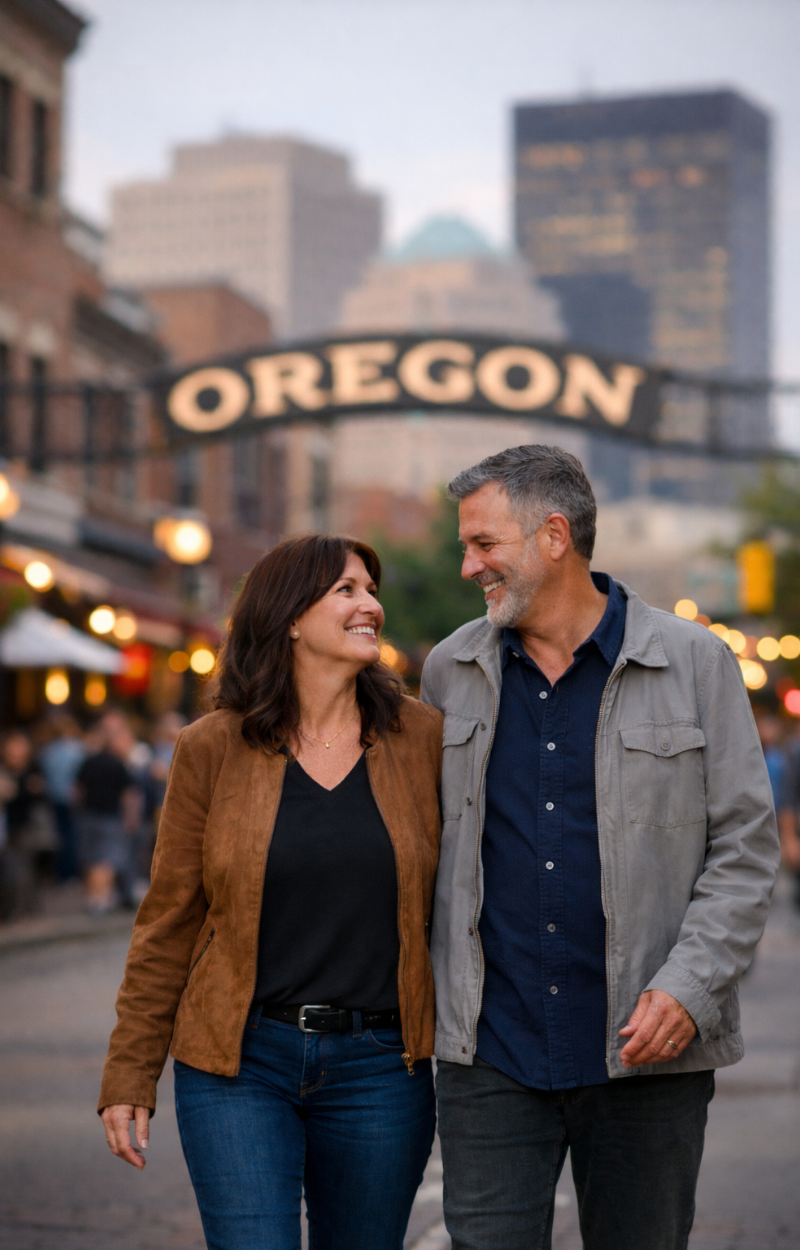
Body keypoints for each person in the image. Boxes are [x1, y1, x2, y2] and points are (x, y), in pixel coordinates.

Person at [420, 445, 779, 1250]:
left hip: (647, 1053)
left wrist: (689, 988)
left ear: (554, 536)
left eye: (483, 543)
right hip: (491, 1052)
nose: (468, 565)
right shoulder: (449, 669)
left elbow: (745, 849)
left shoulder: (695, 662)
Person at [98, 534, 443, 1250]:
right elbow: (168, 920)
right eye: (345, 590)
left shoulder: (422, 739)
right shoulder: (211, 747)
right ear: (290, 616)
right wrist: (130, 1071)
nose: (370, 605)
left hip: (382, 1065)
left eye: (371, 590)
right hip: (239, 1061)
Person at [76, 724, 136, 915]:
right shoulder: (117, 764)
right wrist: (130, 817)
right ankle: (100, 898)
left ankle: (93, 896)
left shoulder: (88, 762)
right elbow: (128, 794)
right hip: (110, 817)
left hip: (89, 815)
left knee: (91, 858)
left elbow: (77, 790)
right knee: (107, 860)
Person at [38, 713, 86, 882]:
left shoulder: (47, 750)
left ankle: (61, 872)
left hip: (53, 798)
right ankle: (71, 872)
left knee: (59, 836)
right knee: (73, 836)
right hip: (72, 799)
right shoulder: (77, 749)